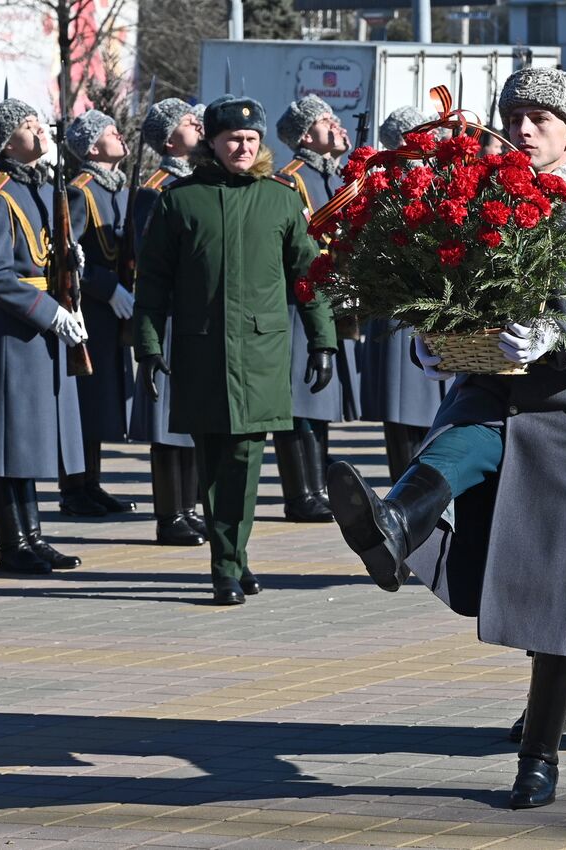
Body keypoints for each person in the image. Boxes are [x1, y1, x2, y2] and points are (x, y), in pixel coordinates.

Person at [324, 67, 566, 808]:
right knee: (463, 475)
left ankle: (541, 754)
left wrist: (558, 334)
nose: (525, 128)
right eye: (516, 116)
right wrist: (433, 341)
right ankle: (396, 522)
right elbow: (435, 294)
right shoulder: (481, 201)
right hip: (486, 386)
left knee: (558, 599)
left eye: (541, 118)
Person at [133, 95, 337, 605]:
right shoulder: (181, 200)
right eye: (232, 140)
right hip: (202, 351)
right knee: (212, 457)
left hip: (261, 351)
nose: (242, 147)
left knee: (246, 457)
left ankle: (229, 561)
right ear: (213, 143)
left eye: (250, 140)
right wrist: (149, 345)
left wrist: (323, 340)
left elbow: (307, 278)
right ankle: (229, 560)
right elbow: (153, 282)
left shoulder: (281, 198)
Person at [0, 99, 87, 574]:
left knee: (28, 439)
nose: (40, 130)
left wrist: (71, 263)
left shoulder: (43, 189)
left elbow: (45, 251)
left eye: (40, 122)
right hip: (15, 329)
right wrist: (48, 312)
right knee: (7, 439)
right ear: (6, 143)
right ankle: (12, 541)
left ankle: (33, 536)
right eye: (28, 126)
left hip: (43, 323)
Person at [129, 98, 208, 547]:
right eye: (186, 121)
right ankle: (169, 514)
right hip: (171, 312)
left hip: (196, 312)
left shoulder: (198, 182)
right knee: (166, 420)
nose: (196, 123)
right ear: (167, 140)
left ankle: (189, 507)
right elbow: (151, 259)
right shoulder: (154, 189)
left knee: (193, 414)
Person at [273, 95, 351, 523]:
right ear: (306, 136)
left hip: (328, 294)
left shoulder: (336, 177)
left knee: (317, 403)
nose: (336, 125)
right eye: (325, 121)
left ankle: (317, 488)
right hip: (297, 297)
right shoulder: (290, 180)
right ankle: (299, 492)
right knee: (296, 402)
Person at [360, 105, 447, 484]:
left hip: (438, 302)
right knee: (403, 409)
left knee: (436, 412)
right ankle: (405, 489)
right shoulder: (384, 185)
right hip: (399, 303)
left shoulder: (442, 178)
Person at [60, 109, 137, 519]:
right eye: (111, 131)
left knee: (102, 398)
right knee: (86, 400)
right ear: (92, 147)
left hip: (113, 313)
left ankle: (92, 482)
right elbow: (68, 257)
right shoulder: (81, 190)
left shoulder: (120, 189)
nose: (120, 135)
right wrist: (108, 289)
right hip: (88, 311)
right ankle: (74, 489)